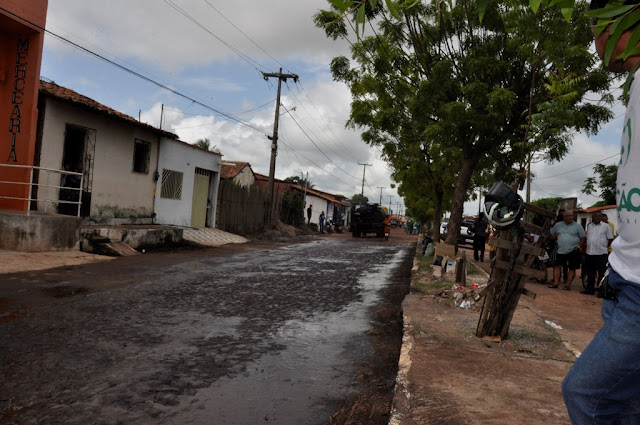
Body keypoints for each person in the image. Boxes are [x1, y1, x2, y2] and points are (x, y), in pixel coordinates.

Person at [562, 4, 640, 423]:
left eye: (596, 29)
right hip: (624, 276)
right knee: (627, 405)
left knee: (585, 395)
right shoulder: (637, 83)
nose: (595, 43)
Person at [548, 210, 585, 290]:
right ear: (564, 217)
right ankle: (555, 283)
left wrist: (578, 246)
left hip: (573, 250)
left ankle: (567, 285)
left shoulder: (578, 226)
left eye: (572, 216)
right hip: (560, 250)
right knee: (557, 266)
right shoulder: (558, 225)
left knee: (572, 268)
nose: (571, 217)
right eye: (569, 216)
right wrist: (554, 236)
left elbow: (583, 238)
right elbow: (551, 235)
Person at [582, 211, 613, 295]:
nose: (598, 218)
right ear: (592, 217)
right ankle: (590, 289)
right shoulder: (589, 226)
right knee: (590, 272)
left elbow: (610, 238)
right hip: (590, 253)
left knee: (601, 273)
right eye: (596, 216)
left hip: (601, 253)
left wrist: (604, 247)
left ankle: (601, 291)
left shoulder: (606, 226)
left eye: (599, 216)